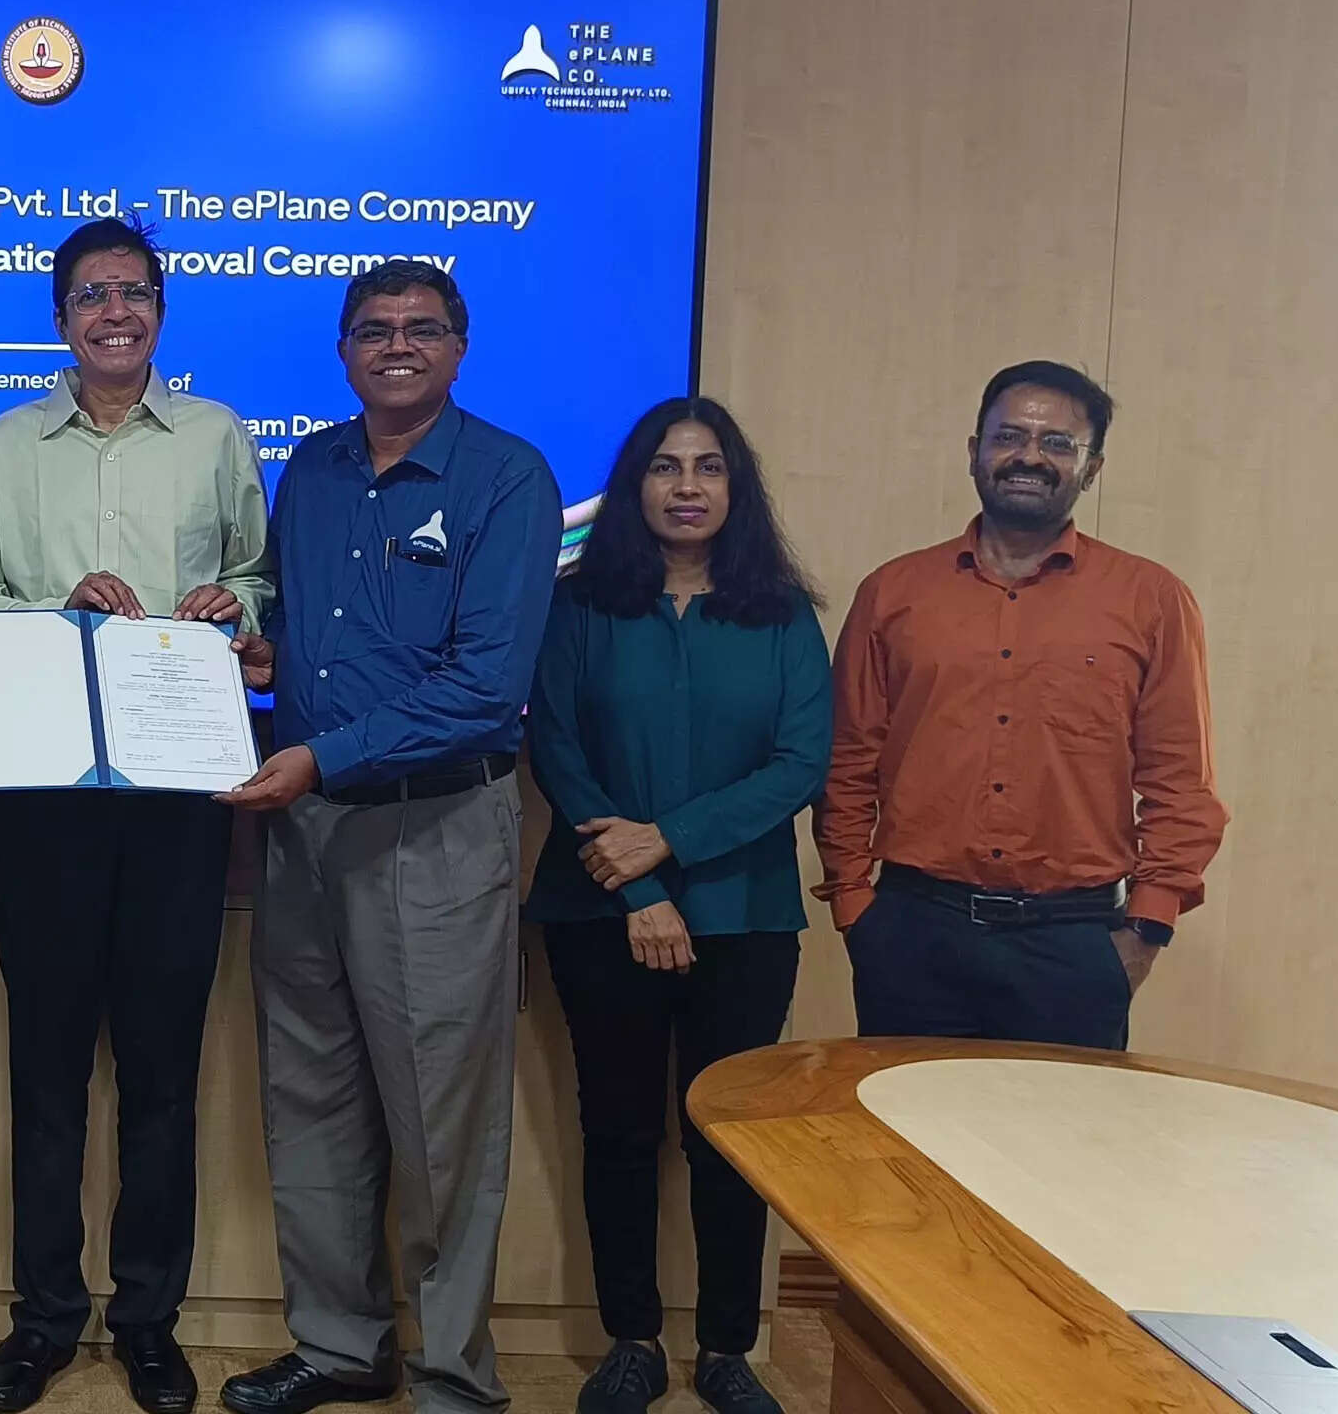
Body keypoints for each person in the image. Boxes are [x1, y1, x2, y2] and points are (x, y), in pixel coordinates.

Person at [0, 216, 270, 1414]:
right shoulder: (8, 445)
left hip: (180, 799)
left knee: (164, 1077)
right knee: (47, 1075)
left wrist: (224, 598)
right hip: (45, 805)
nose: (113, 310)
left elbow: (264, 577)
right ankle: (42, 1318)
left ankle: (147, 1320)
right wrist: (51, 604)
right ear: (60, 316)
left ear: (161, 311)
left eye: (133, 291)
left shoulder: (219, 436)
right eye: (90, 293)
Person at [216, 260, 559, 1414]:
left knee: (442, 1119)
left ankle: (455, 1371)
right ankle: (337, 1341)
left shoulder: (507, 478)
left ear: (460, 346)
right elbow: (296, 629)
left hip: (437, 829)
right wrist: (258, 664)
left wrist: (320, 750)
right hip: (303, 831)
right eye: (373, 329)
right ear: (344, 349)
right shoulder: (310, 467)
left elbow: (484, 687)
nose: (396, 345)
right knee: (309, 1097)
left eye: (422, 329)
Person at [525, 399, 824, 1414]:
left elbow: (801, 762)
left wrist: (670, 840)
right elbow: (558, 749)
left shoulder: (781, 613)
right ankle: (632, 1339)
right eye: (664, 466)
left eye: (708, 467)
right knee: (614, 1131)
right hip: (599, 912)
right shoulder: (578, 605)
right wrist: (644, 884)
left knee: (729, 1138)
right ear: (635, 485)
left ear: (736, 489)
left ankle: (731, 1348)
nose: (687, 485)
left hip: (745, 916)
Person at [815, 362, 1225, 1049]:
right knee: (905, 1151)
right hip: (915, 934)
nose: (1030, 456)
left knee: (1056, 1154)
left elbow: (1181, 779)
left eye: (1059, 443)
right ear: (974, 449)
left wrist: (1148, 929)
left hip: (1072, 945)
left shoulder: (1152, 600)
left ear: (1092, 468)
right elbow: (847, 761)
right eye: (1010, 436)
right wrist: (857, 907)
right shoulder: (893, 593)